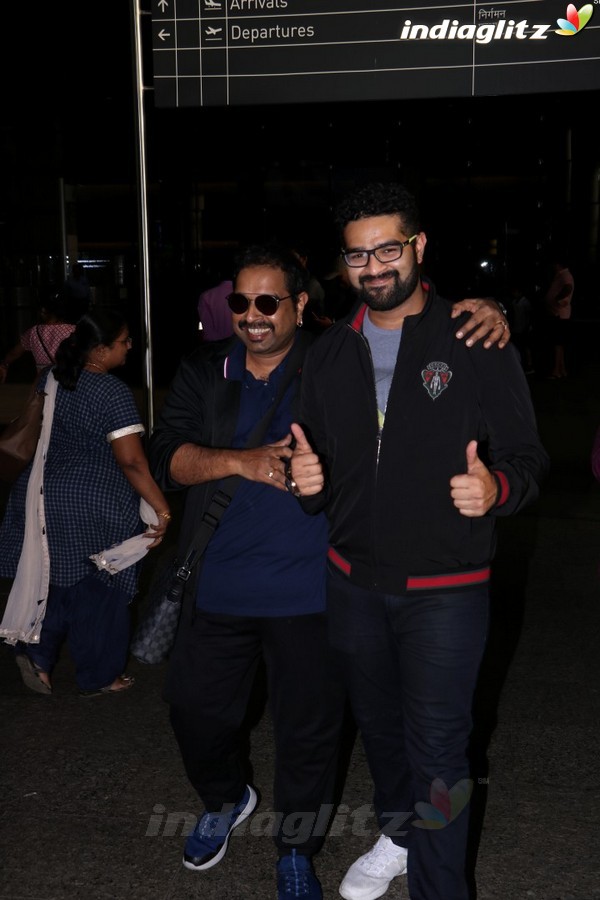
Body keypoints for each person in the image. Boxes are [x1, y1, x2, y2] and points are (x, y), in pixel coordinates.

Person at [147, 237, 511, 899]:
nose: (251, 314)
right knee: (197, 715)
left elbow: (407, 328)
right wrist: (243, 460)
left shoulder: (337, 358)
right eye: (239, 301)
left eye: (266, 301)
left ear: (300, 305)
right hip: (221, 588)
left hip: (318, 593)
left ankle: (296, 848)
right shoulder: (205, 371)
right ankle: (227, 798)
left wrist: (483, 311)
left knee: (316, 735)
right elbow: (167, 456)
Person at [288, 182, 549, 900]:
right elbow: (315, 472)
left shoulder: (473, 336)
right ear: (342, 264)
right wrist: (302, 480)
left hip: (445, 591)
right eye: (357, 254)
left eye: (388, 249)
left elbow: (529, 458)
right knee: (382, 735)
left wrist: (497, 489)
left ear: (418, 247)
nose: (374, 267)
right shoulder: (329, 355)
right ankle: (400, 833)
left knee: (440, 757)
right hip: (351, 586)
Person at [0, 308, 171, 696]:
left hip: (44, 493)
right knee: (102, 589)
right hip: (95, 500)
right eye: (124, 341)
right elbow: (131, 460)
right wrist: (161, 508)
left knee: (54, 579)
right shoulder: (111, 390)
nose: (130, 347)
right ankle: (99, 675)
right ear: (98, 350)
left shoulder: (52, 377)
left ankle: (39, 658)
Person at [0, 289, 74, 384]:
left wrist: (4, 364)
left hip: (43, 385)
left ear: (43, 311)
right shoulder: (73, 331)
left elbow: (14, 353)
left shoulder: (34, 332)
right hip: (67, 385)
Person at [543, 255, 574, 379]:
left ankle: (557, 370)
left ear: (558, 265)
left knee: (558, 344)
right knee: (559, 344)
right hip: (558, 313)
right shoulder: (562, 275)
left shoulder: (564, 275)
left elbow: (568, 287)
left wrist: (557, 299)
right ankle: (561, 370)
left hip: (559, 314)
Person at [197, 277, 234, 341]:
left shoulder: (206, 296)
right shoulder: (244, 293)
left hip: (215, 344)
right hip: (239, 342)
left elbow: (208, 329)